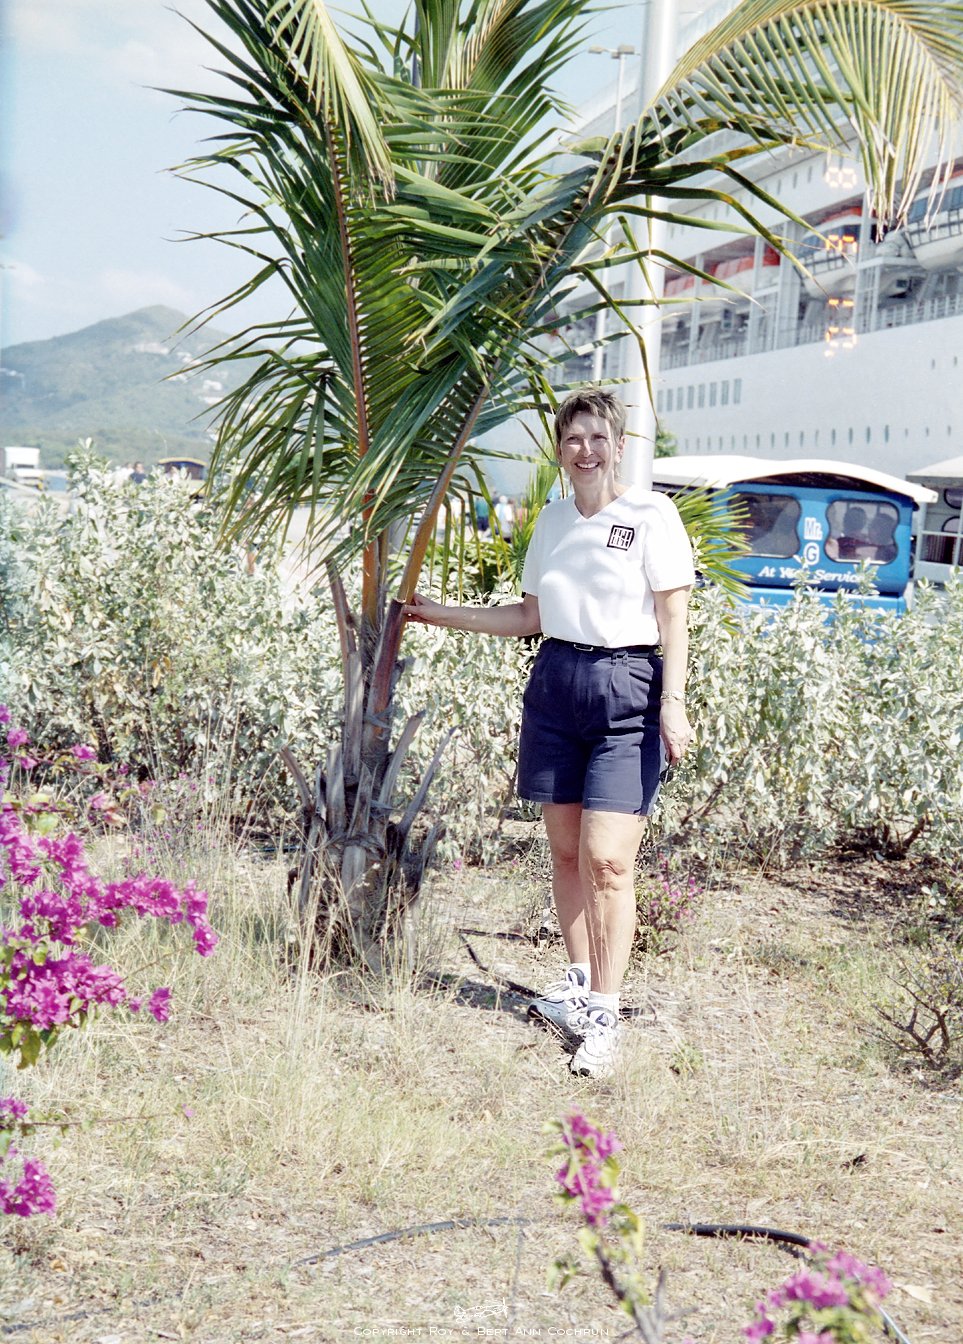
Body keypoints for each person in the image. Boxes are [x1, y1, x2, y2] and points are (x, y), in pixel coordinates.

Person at [404, 389, 695, 1078]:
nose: (585, 450)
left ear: (617, 446)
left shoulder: (652, 514)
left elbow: (674, 617)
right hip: (556, 685)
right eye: (572, 439)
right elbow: (528, 617)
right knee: (565, 854)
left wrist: (673, 704)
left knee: (608, 862)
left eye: (597, 437)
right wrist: (438, 613)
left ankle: (605, 1015)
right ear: (560, 450)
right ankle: (578, 986)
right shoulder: (553, 521)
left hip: (628, 689)